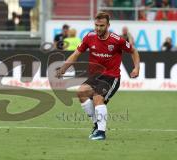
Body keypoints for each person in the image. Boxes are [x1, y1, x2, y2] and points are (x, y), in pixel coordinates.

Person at [56, 12, 140, 140]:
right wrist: (63, 68)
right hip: (95, 76)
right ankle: (96, 125)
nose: (98, 28)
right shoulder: (89, 37)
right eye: (96, 25)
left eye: (101, 25)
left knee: (97, 97)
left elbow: (133, 51)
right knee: (81, 92)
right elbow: (76, 54)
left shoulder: (117, 40)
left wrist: (136, 67)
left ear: (108, 25)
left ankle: (101, 133)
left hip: (111, 77)